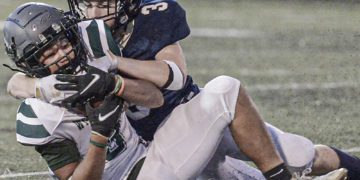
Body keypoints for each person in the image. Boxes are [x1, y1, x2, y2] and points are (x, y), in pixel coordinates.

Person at [6, 0, 360, 179]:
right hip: (152, 155)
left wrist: (114, 70)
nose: (95, 12)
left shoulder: (101, 38)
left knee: (299, 155)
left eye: (104, 2)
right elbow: (15, 82)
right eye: (88, 4)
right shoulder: (44, 103)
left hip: (180, 122)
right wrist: (39, 87)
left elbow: (171, 80)